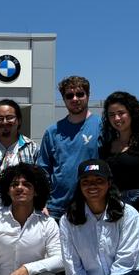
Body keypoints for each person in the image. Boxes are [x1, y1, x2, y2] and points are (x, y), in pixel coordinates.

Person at [101, 91, 139, 273]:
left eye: (121, 113)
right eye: (112, 115)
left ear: (132, 113)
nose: (117, 118)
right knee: (115, 264)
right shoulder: (108, 146)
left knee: (137, 263)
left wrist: (133, 208)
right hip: (115, 207)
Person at [37, 76, 103, 220]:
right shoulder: (52, 132)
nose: (75, 99)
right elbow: (43, 171)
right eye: (69, 95)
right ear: (64, 99)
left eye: (80, 94)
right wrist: (42, 202)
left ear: (88, 95)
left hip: (92, 207)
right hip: (56, 209)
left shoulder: (101, 126)